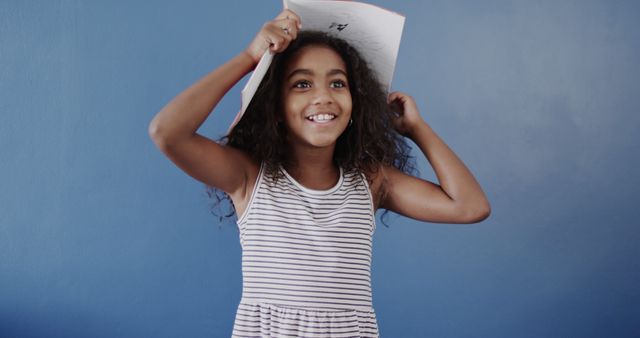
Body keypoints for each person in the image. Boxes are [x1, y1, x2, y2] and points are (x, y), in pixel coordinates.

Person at [149, 8, 490, 338]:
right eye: (302, 84)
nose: (323, 97)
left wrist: (417, 129)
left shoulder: (371, 181)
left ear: (356, 104)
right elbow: (167, 132)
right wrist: (249, 57)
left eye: (338, 84)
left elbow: (470, 206)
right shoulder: (249, 178)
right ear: (276, 108)